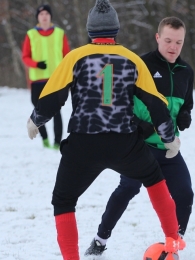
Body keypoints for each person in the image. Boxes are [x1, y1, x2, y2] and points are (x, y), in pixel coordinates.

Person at [26, 1, 186, 259]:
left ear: (90, 30)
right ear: (116, 30)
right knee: (156, 180)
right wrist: (169, 137)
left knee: (64, 201)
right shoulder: (132, 59)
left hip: (84, 143)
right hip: (124, 142)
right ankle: (173, 241)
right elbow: (155, 103)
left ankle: (71, 257)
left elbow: (54, 95)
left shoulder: (75, 57)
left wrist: (37, 119)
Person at [85, 16, 194, 256]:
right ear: (157, 38)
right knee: (128, 189)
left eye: (179, 42)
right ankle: (100, 240)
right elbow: (118, 103)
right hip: (138, 147)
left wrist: (185, 115)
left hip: (169, 147)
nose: (173, 47)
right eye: (168, 40)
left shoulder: (187, 72)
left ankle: (175, 241)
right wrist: (140, 126)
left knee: (185, 192)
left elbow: (187, 105)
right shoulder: (140, 65)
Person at [22, 4, 70, 149]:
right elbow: (25, 57)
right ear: (38, 17)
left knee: (56, 111)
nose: (44, 16)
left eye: (46, 14)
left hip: (55, 80)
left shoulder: (60, 33)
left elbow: (67, 56)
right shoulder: (31, 34)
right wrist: (36, 64)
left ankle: (57, 142)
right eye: (41, 14)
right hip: (37, 80)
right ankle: (44, 139)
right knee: (37, 110)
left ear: (50, 16)